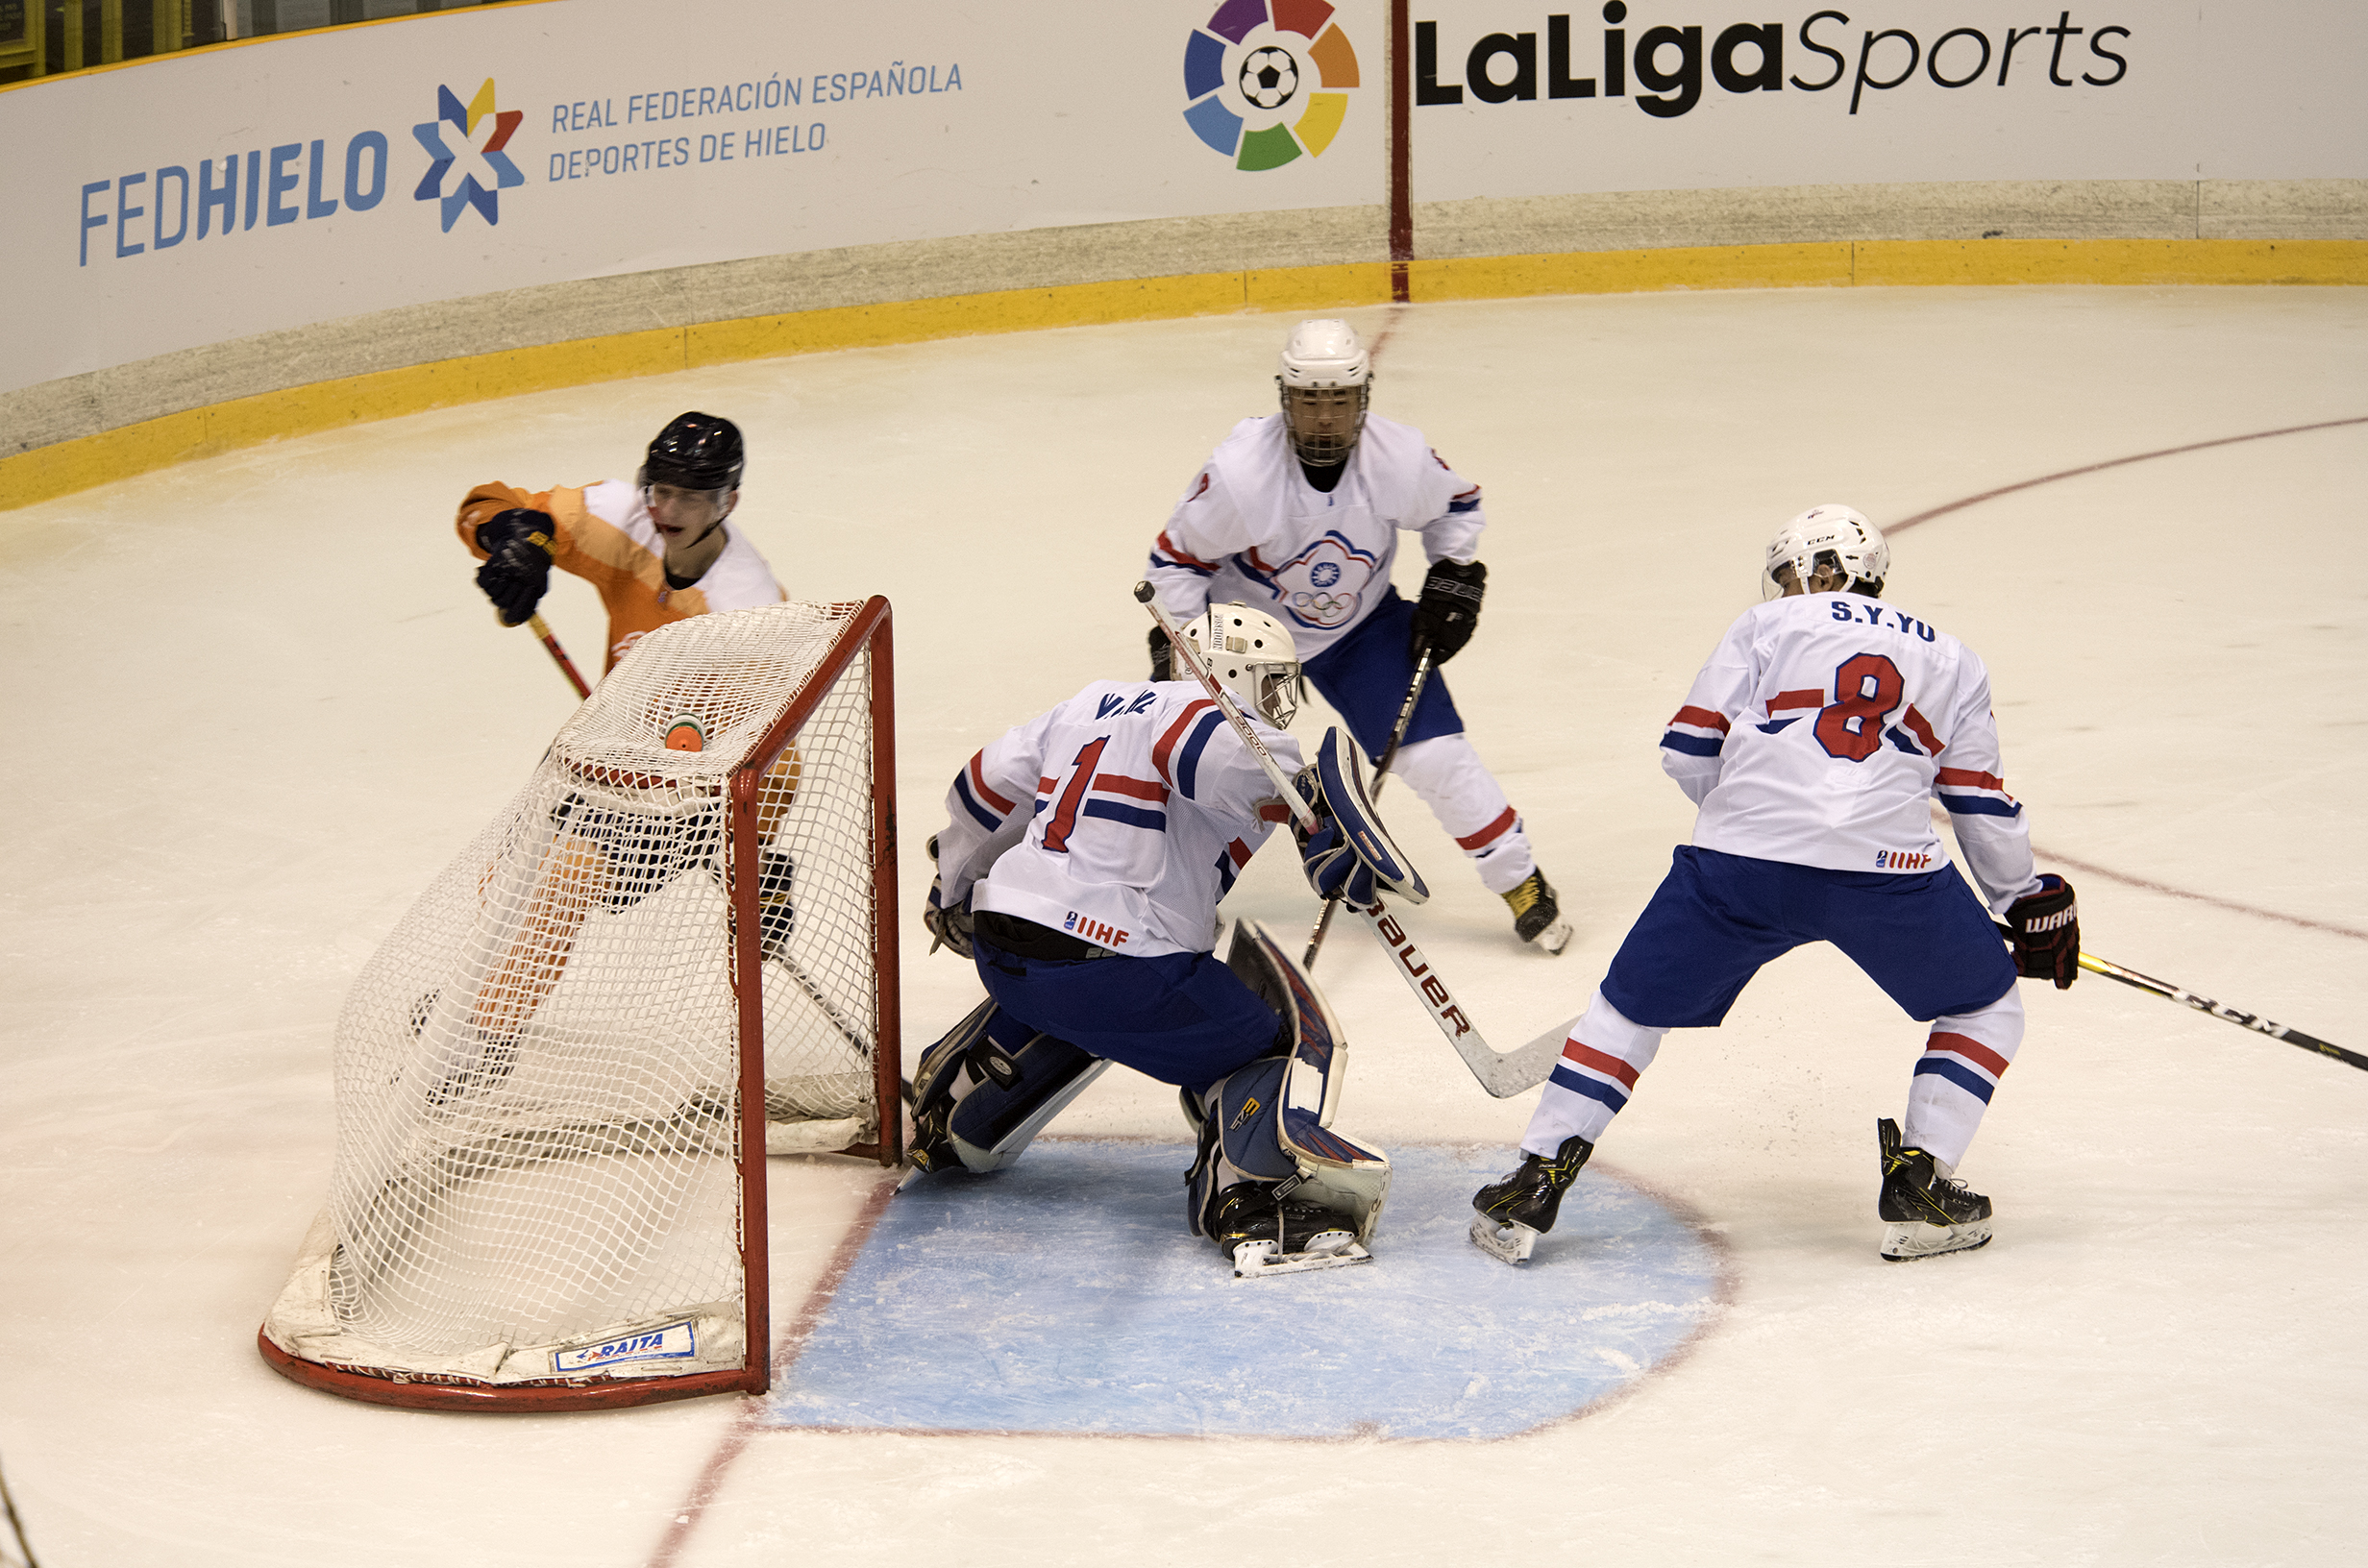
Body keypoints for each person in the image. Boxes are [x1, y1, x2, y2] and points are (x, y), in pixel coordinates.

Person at [1468, 505, 2080, 1265]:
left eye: (1792, 572)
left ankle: (1535, 1179)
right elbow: (1976, 800)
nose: (1790, 586)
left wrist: (1753, 824)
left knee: (1626, 1009)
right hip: (1889, 875)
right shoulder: (1955, 658)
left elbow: (1687, 751)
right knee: (1986, 1006)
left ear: (1823, 570)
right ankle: (1922, 1183)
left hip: (1737, 868)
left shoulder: (1764, 627)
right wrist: (2021, 900)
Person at [910, 603, 1394, 1276]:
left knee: (1073, 995)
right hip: (1116, 970)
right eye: (1271, 684)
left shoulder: (1088, 703)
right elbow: (1212, 752)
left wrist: (954, 887)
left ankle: (962, 1108)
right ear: (1230, 673)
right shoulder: (1215, 719)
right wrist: (1307, 810)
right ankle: (1250, 1195)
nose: (1279, 707)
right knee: (1270, 1038)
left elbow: (979, 790)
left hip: (1006, 947)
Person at [1143, 320, 1571, 953]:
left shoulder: (1396, 458)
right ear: (1284, 398)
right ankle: (1178, 899)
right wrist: (1180, 645)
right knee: (1214, 773)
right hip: (1248, 638)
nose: (1323, 419)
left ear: (1362, 397)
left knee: (1436, 758)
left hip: (1361, 627)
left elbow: (1456, 508)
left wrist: (1455, 573)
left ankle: (1519, 882)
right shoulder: (1241, 474)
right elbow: (1177, 562)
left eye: (1339, 401)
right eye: (1309, 400)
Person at [455, 411, 786, 674]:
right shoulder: (622, 517)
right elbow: (486, 504)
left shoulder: (747, 614)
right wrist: (513, 535)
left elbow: (767, 748)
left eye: (689, 498)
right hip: (615, 732)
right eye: (663, 491)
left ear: (727, 504)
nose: (667, 511)